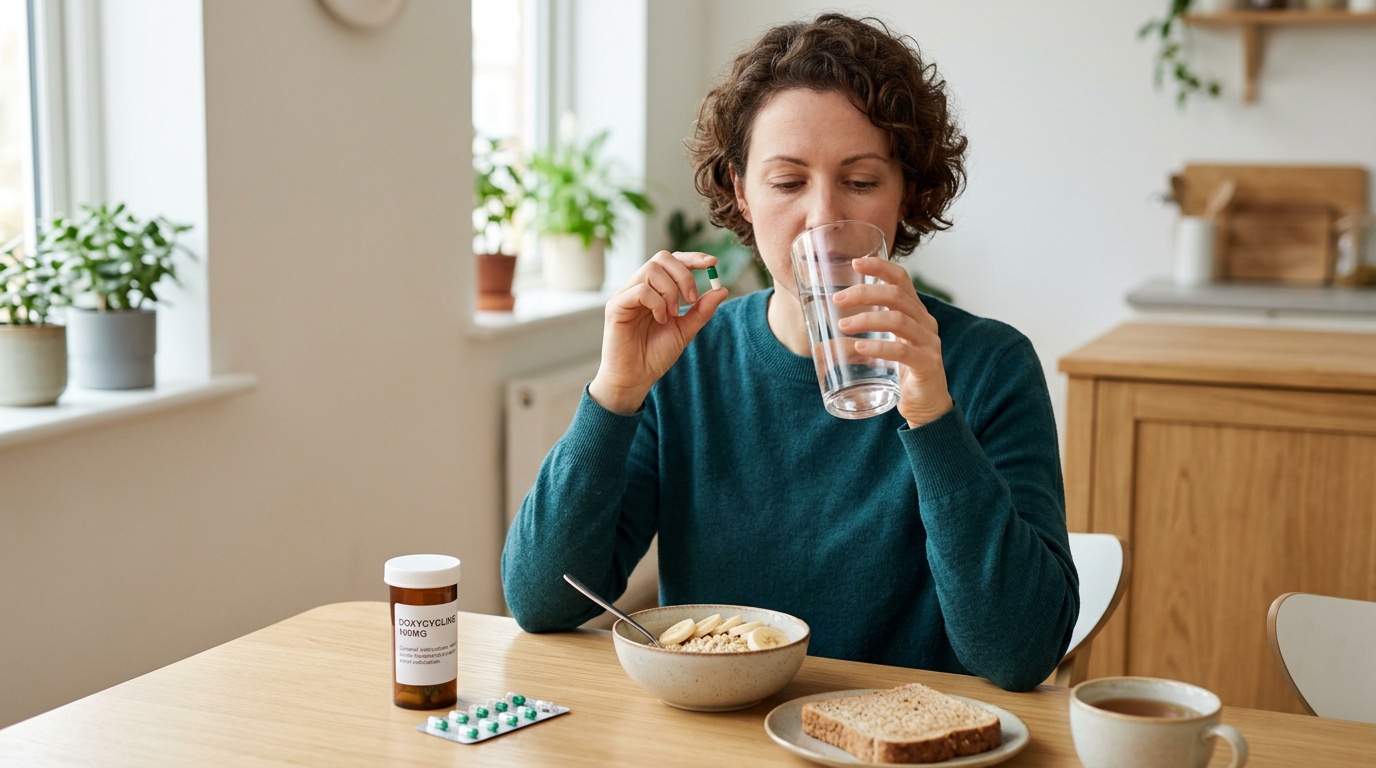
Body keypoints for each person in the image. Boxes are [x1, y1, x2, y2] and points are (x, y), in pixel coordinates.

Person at [501, 12, 1078, 692]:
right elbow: (543, 602)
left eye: (861, 182)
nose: (822, 217)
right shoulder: (687, 365)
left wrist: (932, 416)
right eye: (787, 181)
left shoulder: (990, 366)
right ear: (741, 192)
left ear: (907, 194)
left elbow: (1019, 652)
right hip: (724, 734)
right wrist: (614, 394)